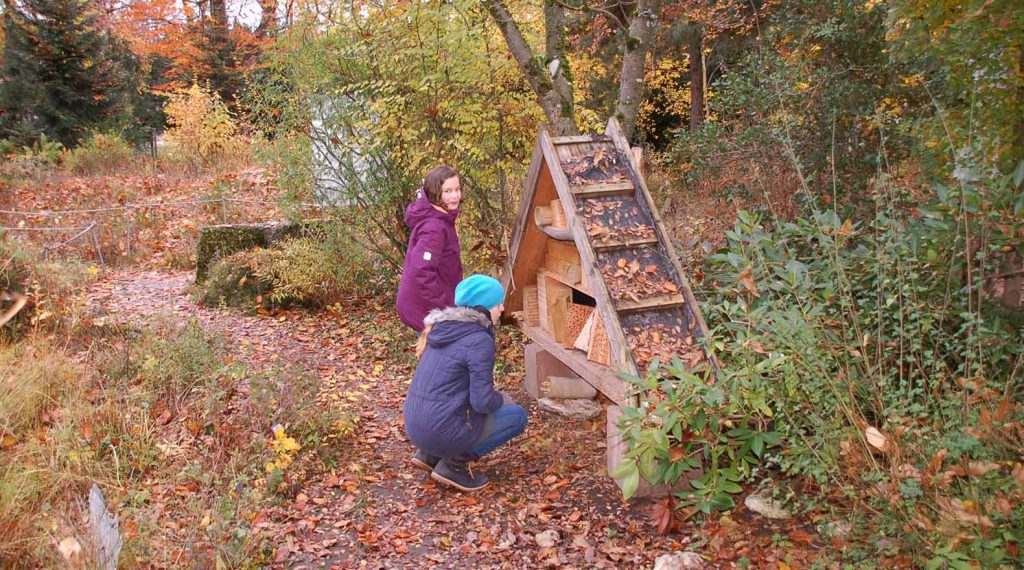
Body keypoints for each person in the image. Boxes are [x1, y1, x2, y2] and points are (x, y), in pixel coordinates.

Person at [403, 275, 528, 492]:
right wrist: (500, 399)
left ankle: (430, 455)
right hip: (438, 430)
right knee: (516, 416)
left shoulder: (442, 329)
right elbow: (482, 402)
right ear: (484, 306)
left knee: (457, 404)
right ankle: (453, 465)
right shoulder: (479, 340)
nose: (502, 307)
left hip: (415, 427)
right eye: (497, 303)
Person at [396, 165, 464, 332]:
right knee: (438, 356)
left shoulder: (440, 218)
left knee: (435, 356)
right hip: (425, 309)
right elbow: (421, 272)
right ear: (435, 193)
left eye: (457, 189)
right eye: (447, 191)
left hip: (428, 306)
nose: (455, 195)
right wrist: (442, 306)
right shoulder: (434, 228)